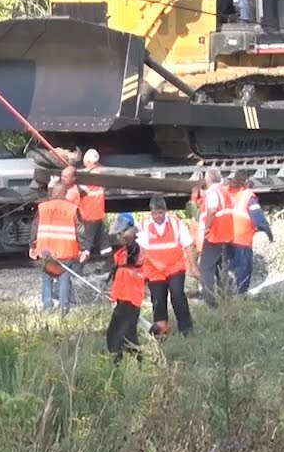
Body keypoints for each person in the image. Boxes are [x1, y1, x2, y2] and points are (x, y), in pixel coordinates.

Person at [137, 197, 195, 337]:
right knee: (158, 299)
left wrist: (194, 266)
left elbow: (188, 245)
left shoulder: (176, 223)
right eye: (155, 213)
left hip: (175, 267)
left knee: (177, 295)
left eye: (160, 213)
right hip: (154, 271)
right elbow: (142, 251)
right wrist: (153, 265)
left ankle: (186, 329)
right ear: (151, 212)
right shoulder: (144, 225)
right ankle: (161, 331)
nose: (158, 216)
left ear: (165, 211)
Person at [30, 183, 87, 314]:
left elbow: (35, 228)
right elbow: (80, 231)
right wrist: (82, 249)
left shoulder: (42, 207)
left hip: (46, 250)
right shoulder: (72, 208)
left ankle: (47, 307)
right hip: (65, 249)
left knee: (47, 278)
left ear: (52, 193)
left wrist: (32, 246)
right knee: (64, 278)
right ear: (64, 193)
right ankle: (63, 308)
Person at [105, 214, 146, 363]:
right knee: (128, 335)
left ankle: (118, 363)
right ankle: (137, 364)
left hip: (131, 298)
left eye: (123, 232)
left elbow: (133, 255)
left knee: (115, 335)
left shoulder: (136, 250)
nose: (120, 235)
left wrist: (132, 231)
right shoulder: (121, 250)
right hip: (122, 297)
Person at [226, 172, 272, 294]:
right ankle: (241, 296)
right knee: (244, 268)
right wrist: (267, 230)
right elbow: (257, 216)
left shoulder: (230, 193)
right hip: (242, 238)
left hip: (227, 238)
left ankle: (227, 294)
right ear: (246, 182)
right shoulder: (247, 196)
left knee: (230, 268)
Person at [66, 150, 112, 263]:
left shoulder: (90, 176)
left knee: (87, 240)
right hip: (97, 211)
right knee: (103, 238)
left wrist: (70, 186)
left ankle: (80, 264)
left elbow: (81, 191)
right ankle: (109, 259)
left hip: (89, 213)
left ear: (88, 161)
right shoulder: (98, 172)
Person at [197, 167, 234, 307]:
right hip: (227, 235)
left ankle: (210, 301)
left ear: (209, 179)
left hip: (214, 236)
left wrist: (206, 227)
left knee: (206, 268)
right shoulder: (225, 191)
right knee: (222, 268)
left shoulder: (213, 192)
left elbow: (212, 210)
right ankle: (226, 300)